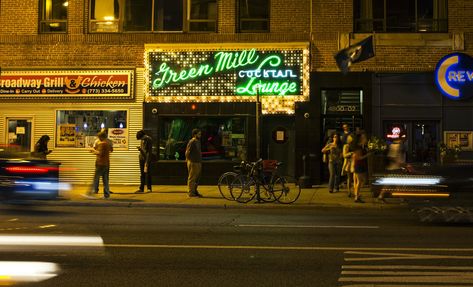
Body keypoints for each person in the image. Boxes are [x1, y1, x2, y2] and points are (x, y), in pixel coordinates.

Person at [89, 131, 112, 198]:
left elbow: (100, 153)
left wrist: (93, 151)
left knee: (95, 179)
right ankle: (107, 194)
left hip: (100, 163)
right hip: (106, 163)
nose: (98, 138)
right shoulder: (108, 143)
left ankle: (91, 193)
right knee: (105, 180)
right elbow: (110, 150)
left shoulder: (103, 144)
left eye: (99, 137)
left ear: (102, 137)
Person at [93, 129, 114, 194]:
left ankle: (96, 190)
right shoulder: (109, 142)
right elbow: (111, 150)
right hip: (106, 162)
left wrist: (95, 152)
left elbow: (96, 149)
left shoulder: (101, 142)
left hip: (100, 161)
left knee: (97, 177)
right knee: (105, 177)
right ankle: (106, 191)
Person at [352, 132, 370, 203]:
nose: (365, 139)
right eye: (364, 137)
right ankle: (357, 196)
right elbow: (358, 157)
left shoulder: (362, 146)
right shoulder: (358, 147)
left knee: (360, 181)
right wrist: (367, 155)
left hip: (360, 165)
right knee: (360, 181)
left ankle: (357, 195)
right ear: (361, 139)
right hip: (359, 165)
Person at [185, 129, 203, 198]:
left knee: (197, 178)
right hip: (193, 162)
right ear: (195, 134)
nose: (200, 135)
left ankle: (194, 191)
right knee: (192, 178)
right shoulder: (192, 141)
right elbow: (187, 152)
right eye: (199, 134)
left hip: (198, 162)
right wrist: (188, 160)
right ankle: (191, 193)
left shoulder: (198, 141)